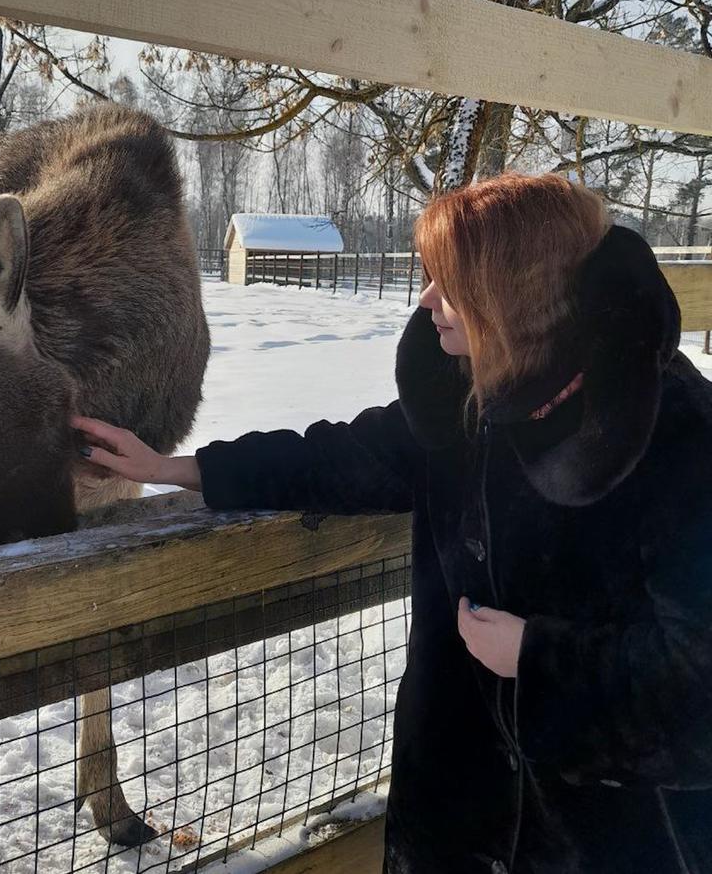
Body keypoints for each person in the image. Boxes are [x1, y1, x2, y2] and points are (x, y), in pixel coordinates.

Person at [73, 172, 712, 874]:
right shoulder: (469, 403)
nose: (427, 301)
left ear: (518, 291)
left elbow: (698, 690)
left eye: (451, 284)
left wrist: (537, 661)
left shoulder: (679, 435)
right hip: (453, 812)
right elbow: (340, 457)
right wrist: (178, 469)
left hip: (615, 837)